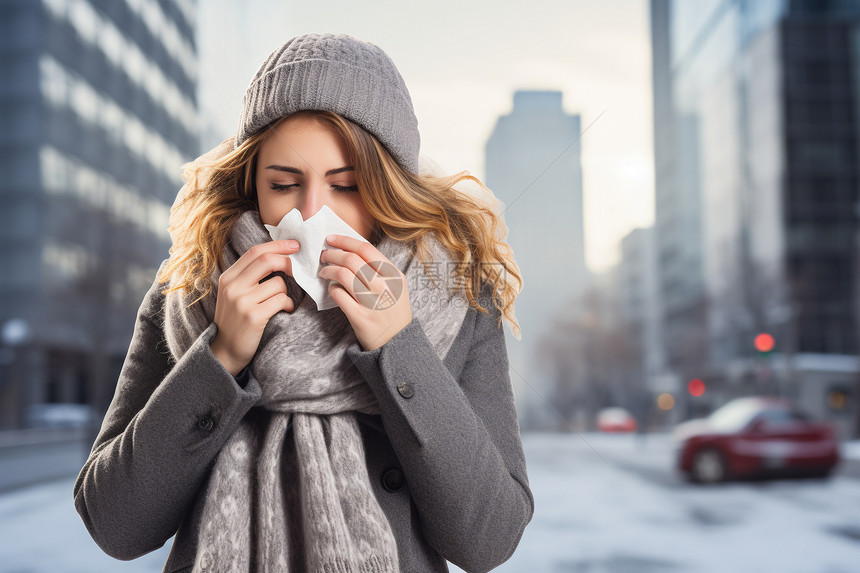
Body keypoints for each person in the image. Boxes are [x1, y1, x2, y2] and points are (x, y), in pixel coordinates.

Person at [73, 32, 533, 573]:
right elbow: (115, 525)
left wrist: (399, 347)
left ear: (391, 190)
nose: (313, 212)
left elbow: (491, 539)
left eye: (347, 186)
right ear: (251, 184)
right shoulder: (190, 289)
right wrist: (219, 358)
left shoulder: (455, 297)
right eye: (285, 183)